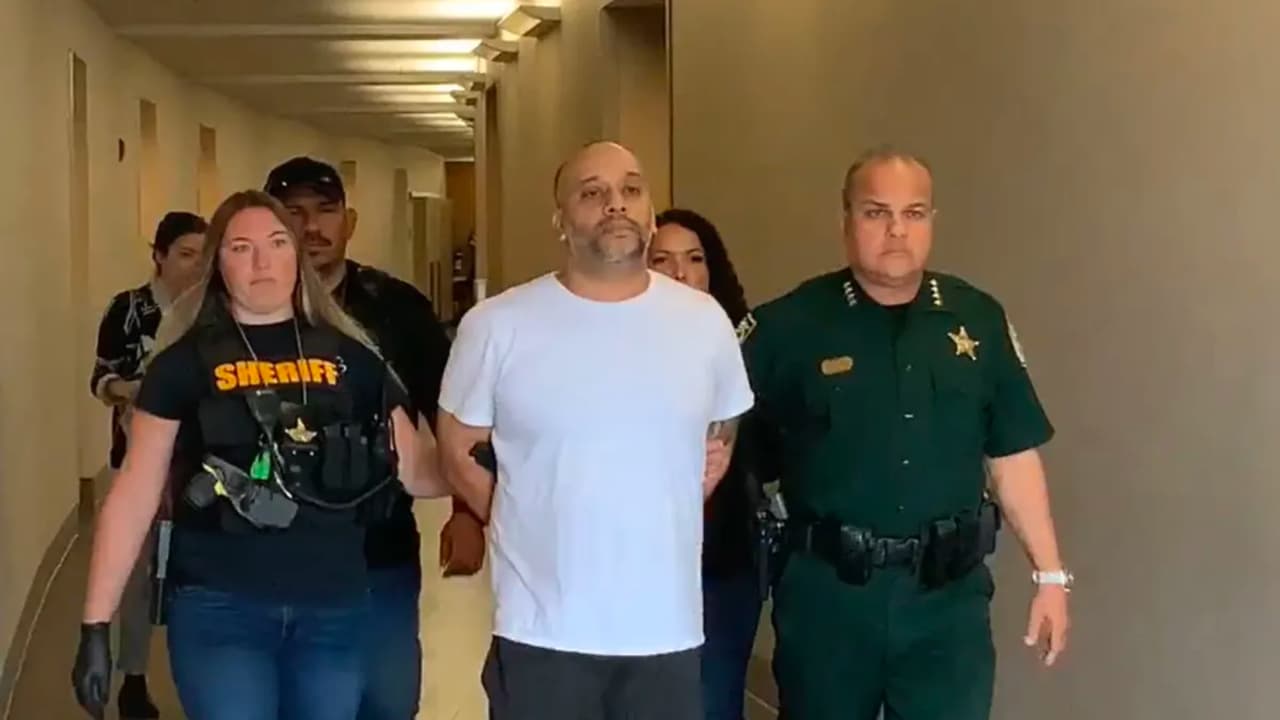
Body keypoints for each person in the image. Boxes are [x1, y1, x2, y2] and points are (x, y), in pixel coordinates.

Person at [71, 190, 450, 720]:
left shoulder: (354, 361)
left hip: (333, 608)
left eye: (276, 244)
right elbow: (134, 494)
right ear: (218, 264)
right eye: (241, 248)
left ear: (297, 258)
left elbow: (419, 471)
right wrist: (95, 623)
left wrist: (493, 462)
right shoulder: (182, 366)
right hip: (220, 607)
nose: (261, 262)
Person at [741, 147, 1071, 720]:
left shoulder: (976, 319)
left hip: (946, 604)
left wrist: (1050, 575)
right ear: (845, 220)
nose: (897, 230)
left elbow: (1012, 454)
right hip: (829, 601)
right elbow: (725, 453)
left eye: (913, 213)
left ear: (932, 221)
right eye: (876, 212)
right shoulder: (787, 327)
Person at [436, 141, 754, 720]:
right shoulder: (497, 325)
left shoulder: (704, 322)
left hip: (665, 629)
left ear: (650, 213)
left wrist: (684, 488)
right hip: (543, 631)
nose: (616, 204)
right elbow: (457, 447)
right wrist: (520, 516)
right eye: (592, 192)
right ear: (561, 220)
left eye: (631, 189)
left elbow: (725, 422)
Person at [264, 156, 485, 720]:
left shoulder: (395, 309)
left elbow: (452, 414)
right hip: (271, 552)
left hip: (377, 545)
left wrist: (467, 510)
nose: (311, 226)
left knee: (387, 700)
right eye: (293, 213)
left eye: (325, 211)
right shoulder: (245, 312)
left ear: (350, 221)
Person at [88, 210, 207, 720]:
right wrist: (134, 391)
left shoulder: (212, 312)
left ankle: (200, 679)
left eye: (203, 255)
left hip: (200, 466)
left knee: (197, 573)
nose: (195, 266)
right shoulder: (130, 310)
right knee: (136, 577)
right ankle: (133, 678)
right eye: (185, 254)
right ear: (158, 256)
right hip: (137, 458)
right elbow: (100, 379)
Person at [649, 208, 761, 720]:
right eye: (662, 260)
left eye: (695, 259)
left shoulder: (745, 347)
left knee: (714, 700)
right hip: (640, 565)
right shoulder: (613, 347)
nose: (681, 273)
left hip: (722, 561)